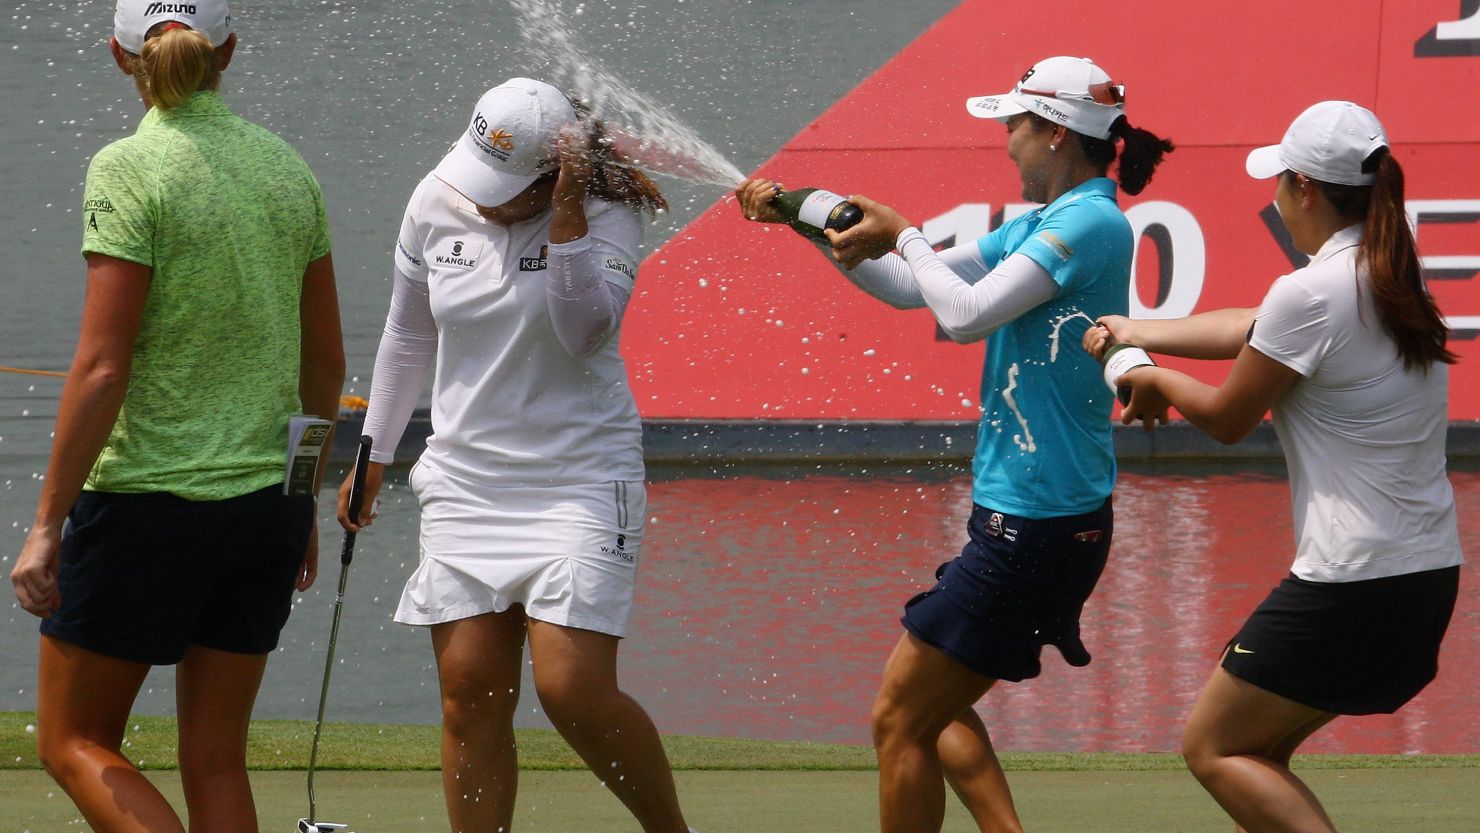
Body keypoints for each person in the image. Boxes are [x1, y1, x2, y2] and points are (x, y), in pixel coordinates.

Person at [736, 56, 1173, 833]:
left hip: (1034, 527)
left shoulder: (1089, 222)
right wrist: (806, 224)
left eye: (1014, 124)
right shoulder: (1044, 221)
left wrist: (904, 234)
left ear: (1055, 133)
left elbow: (964, 310)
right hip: (1022, 519)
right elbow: (914, 289)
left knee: (899, 717)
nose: (1005, 141)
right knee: (934, 711)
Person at [8, 1, 345, 832]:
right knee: (216, 758)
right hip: (263, 506)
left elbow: (101, 366)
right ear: (228, 49)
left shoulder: (128, 167)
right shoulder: (286, 166)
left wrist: (46, 522)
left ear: (120, 57)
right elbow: (326, 366)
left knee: (73, 740)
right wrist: (299, 499)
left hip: (147, 508)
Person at [1086, 101, 1463, 833]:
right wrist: (1140, 331)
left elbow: (1228, 418)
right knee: (1258, 753)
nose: (1273, 199)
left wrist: (1157, 379)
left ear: (1305, 188)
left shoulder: (1313, 291)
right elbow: (1251, 328)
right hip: (1423, 575)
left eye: (1278, 183)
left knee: (1215, 746)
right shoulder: (1386, 270)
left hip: (1354, 581)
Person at [338, 77, 696, 833]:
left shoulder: (610, 213)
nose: (481, 199)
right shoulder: (436, 200)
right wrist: (375, 453)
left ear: (556, 174)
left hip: (581, 478)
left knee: (573, 690)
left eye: (507, 188)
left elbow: (583, 332)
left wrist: (566, 218)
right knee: (468, 694)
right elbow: (408, 337)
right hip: (467, 480)